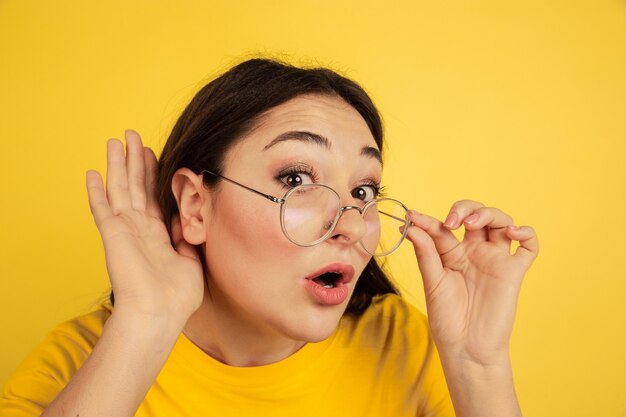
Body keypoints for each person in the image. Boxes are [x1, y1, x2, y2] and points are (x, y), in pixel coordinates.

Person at [0, 58, 538, 417]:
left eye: (365, 189)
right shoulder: (83, 361)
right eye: (297, 179)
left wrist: (477, 364)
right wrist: (146, 322)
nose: (350, 223)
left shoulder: (405, 346)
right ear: (195, 205)